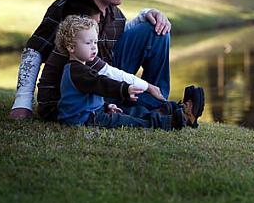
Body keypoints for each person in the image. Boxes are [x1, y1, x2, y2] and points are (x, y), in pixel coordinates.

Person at [9, 0, 175, 120]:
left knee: (156, 29)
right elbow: (34, 50)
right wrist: (22, 103)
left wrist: (149, 14)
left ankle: (155, 103)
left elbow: (118, 36)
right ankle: (136, 109)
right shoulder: (66, 8)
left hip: (107, 80)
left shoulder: (115, 13)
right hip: (79, 87)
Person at [55, 14, 200, 129]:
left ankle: (174, 109)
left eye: (95, 42)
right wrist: (124, 89)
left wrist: (106, 106)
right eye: (88, 43)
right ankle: (171, 122)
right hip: (84, 119)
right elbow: (100, 84)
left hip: (93, 112)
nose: (94, 48)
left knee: (135, 112)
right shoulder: (76, 70)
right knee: (128, 120)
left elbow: (90, 97)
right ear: (71, 47)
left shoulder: (83, 67)